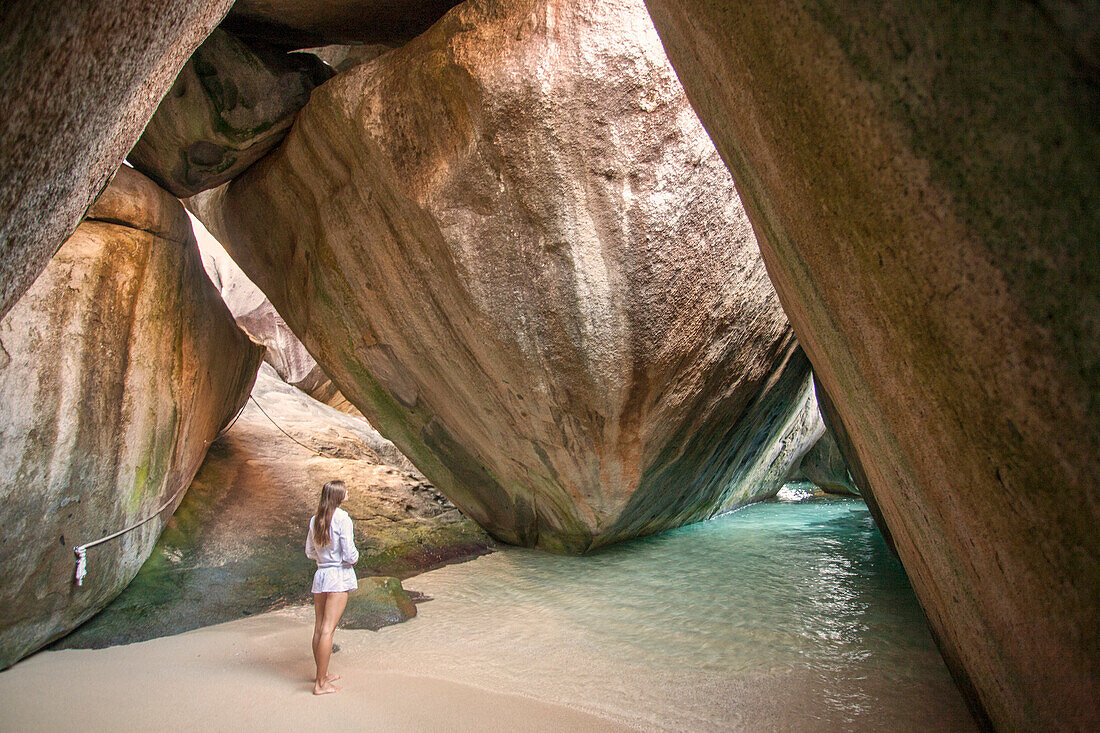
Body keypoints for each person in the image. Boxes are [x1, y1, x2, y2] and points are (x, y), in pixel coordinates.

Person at [305, 479, 359, 695]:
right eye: (346, 491)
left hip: (321, 576)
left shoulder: (315, 520)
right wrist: (354, 559)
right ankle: (320, 684)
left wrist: (324, 559)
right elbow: (349, 553)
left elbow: (310, 552)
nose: (348, 492)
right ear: (339, 496)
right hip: (338, 576)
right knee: (328, 630)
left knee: (319, 627)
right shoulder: (343, 519)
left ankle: (322, 674)